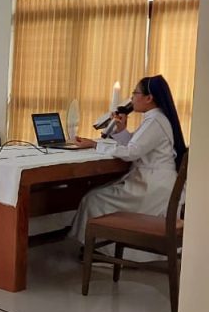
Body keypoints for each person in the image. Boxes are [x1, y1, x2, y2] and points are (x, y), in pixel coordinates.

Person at [71, 75, 187, 261]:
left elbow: (132, 152)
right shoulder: (155, 118)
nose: (131, 98)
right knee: (97, 194)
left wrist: (95, 144)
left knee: (94, 199)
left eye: (135, 93)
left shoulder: (155, 120)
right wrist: (121, 130)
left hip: (152, 187)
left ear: (149, 98)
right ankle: (99, 248)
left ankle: (100, 252)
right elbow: (137, 145)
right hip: (152, 181)